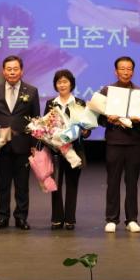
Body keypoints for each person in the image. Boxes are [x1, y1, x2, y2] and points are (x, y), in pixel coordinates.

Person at [0, 55, 40, 230]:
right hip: (2, 145)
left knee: (22, 186)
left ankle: (21, 217)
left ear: (21, 71)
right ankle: (2, 217)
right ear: (3, 71)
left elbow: (36, 120)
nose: (12, 72)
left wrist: (35, 145)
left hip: (23, 145)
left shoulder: (32, 91)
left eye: (15, 69)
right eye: (9, 69)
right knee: (3, 185)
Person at [99, 56, 140, 233]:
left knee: (132, 183)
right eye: (122, 69)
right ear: (116, 71)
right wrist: (108, 119)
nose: (125, 72)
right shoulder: (107, 91)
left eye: (129, 69)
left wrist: (139, 120)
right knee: (112, 182)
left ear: (133, 72)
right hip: (114, 142)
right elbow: (98, 118)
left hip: (134, 142)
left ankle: (132, 219)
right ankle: (111, 219)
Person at [44, 69, 90, 231]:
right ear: (55, 85)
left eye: (65, 81)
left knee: (72, 184)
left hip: (74, 150)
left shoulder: (80, 103)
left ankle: (70, 219)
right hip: (55, 150)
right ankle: (57, 218)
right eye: (59, 82)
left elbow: (87, 129)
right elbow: (45, 126)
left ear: (71, 84)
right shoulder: (51, 103)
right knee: (55, 185)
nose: (62, 85)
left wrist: (85, 131)